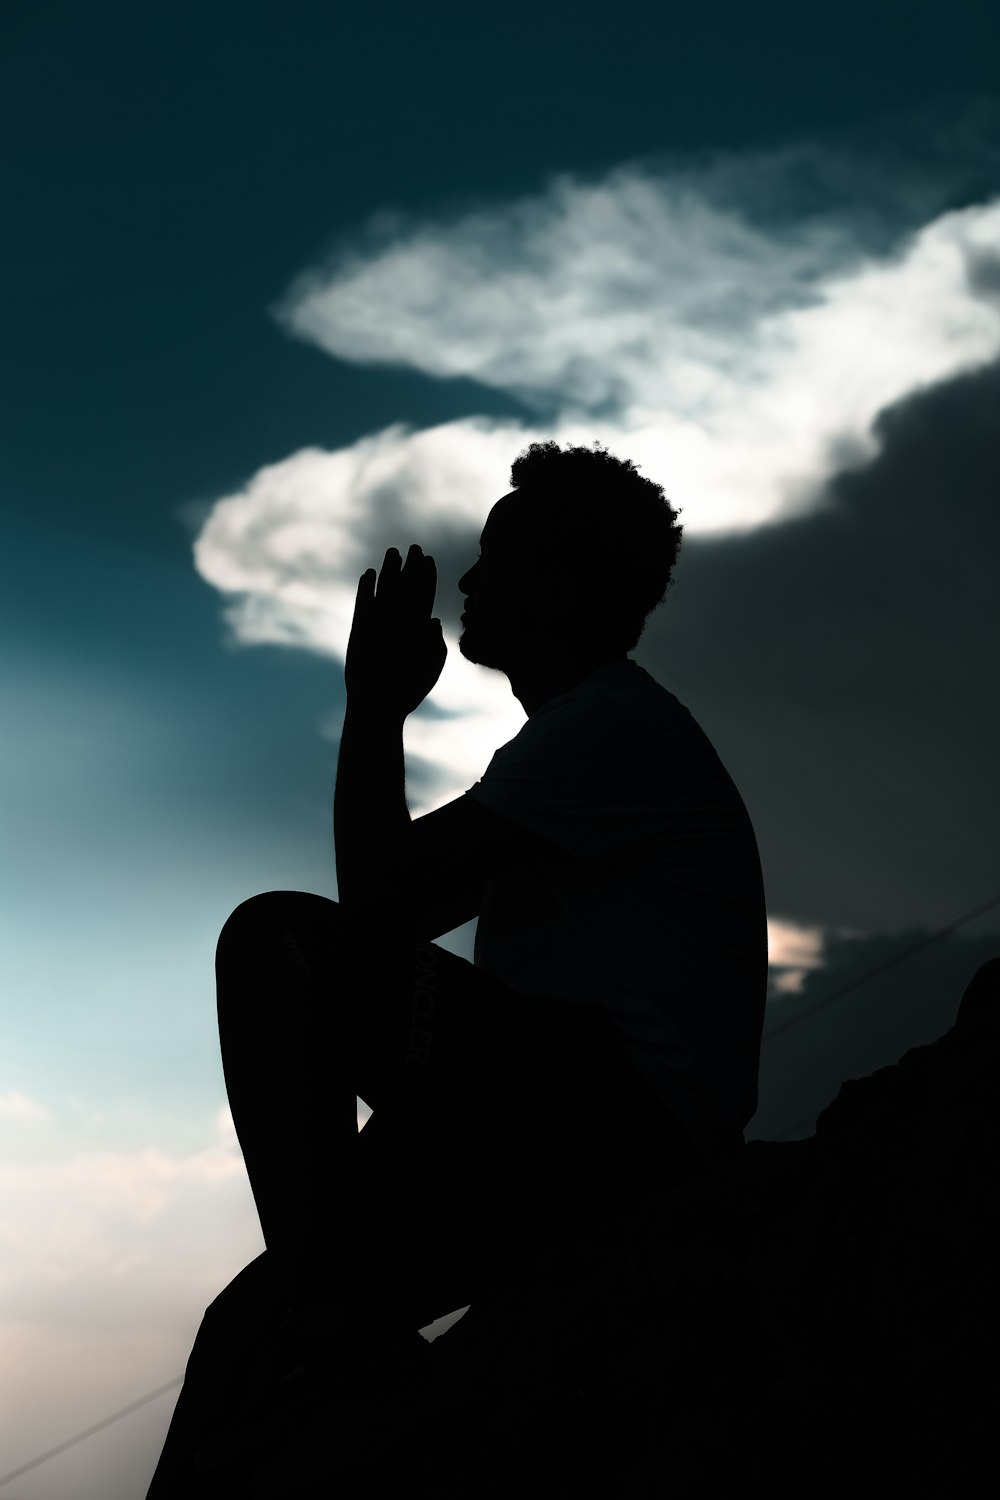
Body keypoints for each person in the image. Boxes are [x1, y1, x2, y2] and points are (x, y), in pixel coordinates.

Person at [146, 439, 768, 1494]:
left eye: (499, 557)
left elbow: (368, 908)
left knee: (273, 941)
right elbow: (397, 913)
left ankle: (337, 1322)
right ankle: (325, 1315)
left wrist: (375, 708)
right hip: (552, 1109)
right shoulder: (577, 743)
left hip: (616, 1119)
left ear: (563, 585)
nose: (470, 581)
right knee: (241, 1333)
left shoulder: (611, 727)